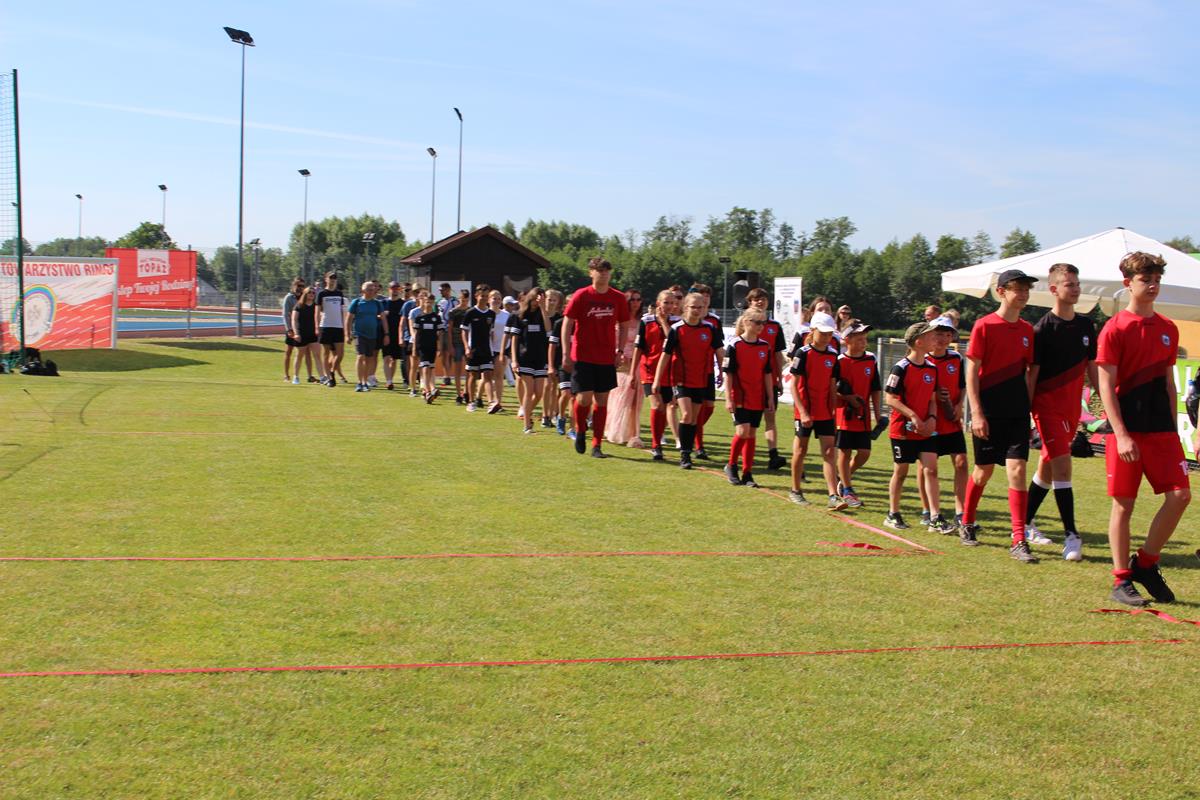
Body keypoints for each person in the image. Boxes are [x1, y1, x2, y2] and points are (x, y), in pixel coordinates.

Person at [1096, 251, 1190, 606]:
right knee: (1124, 504)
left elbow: (1168, 382)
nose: (1152, 286)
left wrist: (1174, 429)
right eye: (1145, 280)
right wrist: (1121, 434)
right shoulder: (1115, 328)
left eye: (1156, 280)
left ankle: (1146, 564)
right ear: (1128, 283)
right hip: (1127, 429)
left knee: (1180, 496)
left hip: (1161, 429)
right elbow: (1106, 385)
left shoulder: (1168, 327)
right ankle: (1121, 580)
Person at [960, 268, 1039, 562]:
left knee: (1017, 470)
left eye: (1026, 289)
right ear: (1001, 292)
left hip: (1017, 412)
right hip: (989, 411)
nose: (1023, 294)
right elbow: (971, 371)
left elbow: (1029, 372)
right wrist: (977, 413)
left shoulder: (1027, 330)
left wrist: (1029, 409)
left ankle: (1019, 539)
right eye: (1018, 288)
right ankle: (967, 521)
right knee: (983, 471)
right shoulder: (984, 326)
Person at [1025, 263, 1097, 561]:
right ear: (1054, 289)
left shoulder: (1086, 326)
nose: (1076, 289)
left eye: (1077, 283)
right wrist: (1026, 413)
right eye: (1070, 284)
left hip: (1071, 411)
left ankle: (1024, 522)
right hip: (1047, 409)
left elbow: (1093, 369)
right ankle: (1072, 535)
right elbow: (1032, 375)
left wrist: (1106, 401)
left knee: (1047, 466)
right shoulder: (1042, 329)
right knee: (1063, 466)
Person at [561, 258, 632, 458]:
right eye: (599, 270)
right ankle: (580, 429)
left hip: (606, 357)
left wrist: (620, 351)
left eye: (607, 270)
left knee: (601, 401)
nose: (604, 274)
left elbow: (624, 325)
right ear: (591, 272)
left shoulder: (618, 297)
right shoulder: (581, 295)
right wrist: (566, 352)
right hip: (583, 355)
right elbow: (567, 324)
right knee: (584, 399)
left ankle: (597, 444)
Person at [883, 322, 947, 531]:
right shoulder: (901, 368)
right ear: (919, 342)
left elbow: (932, 399)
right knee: (901, 472)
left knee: (931, 470)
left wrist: (932, 418)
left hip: (926, 429)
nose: (935, 339)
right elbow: (890, 398)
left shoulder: (932, 368)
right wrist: (912, 416)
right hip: (902, 430)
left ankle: (935, 517)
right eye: (931, 336)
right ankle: (893, 513)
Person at [653, 293, 722, 469]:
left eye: (700, 307)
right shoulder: (677, 329)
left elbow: (719, 351)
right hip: (681, 379)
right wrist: (657, 380)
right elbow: (665, 355)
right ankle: (684, 454)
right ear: (685, 307)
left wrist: (723, 371)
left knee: (693, 419)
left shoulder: (709, 329)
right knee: (686, 415)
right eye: (693, 307)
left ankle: (688, 451)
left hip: (700, 379)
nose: (697, 310)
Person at [788, 311, 844, 509]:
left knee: (829, 452)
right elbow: (793, 385)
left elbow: (832, 386)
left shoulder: (833, 355)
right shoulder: (803, 353)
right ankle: (795, 490)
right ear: (813, 331)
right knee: (800, 450)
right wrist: (802, 412)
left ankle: (833, 495)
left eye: (830, 333)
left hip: (824, 412)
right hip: (805, 410)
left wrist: (833, 412)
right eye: (823, 333)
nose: (827, 337)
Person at [922, 315, 969, 531]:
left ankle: (961, 512)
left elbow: (962, 386)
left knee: (961, 463)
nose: (942, 338)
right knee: (928, 468)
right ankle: (929, 511)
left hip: (951, 421)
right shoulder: (922, 359)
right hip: (930, 421)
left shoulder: (956, 358)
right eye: (938, 333)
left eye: (947, 334)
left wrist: (959, 406)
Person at [723, 309, 775, 487]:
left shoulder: (765, 346)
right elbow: (728, 374)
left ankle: (747, 473)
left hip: (757, 396)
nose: (761, 326)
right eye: (757, 322)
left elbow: (767, 373)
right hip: (739, 396)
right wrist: (728, 398)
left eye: (763, 323)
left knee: (751, 433)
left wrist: (770, 397)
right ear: (746, 322)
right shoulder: (735, 345)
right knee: (742, 432)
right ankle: (731, 465)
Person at [833, 321, 882, 508]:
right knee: (845, 452)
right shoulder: (839, 361)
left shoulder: (871, 359)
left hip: (863, 416)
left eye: (865, 338)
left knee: (864, 453)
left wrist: (877, 414)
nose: (864, 342)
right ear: (847, 340)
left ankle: (843, 477)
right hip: (843, 415)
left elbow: (875, 389)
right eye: (859, 338)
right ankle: (847, 489)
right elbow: (830, 390)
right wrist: (847, 397)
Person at [633, 289, 679, 460]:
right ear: (658, 303)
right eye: (666, 302)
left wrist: (663, 322)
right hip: (649, 370)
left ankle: (660, 438)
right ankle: (656, 445)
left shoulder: (677, 322)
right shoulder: (646, 321)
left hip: (669, 372)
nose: (669, 306)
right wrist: (633, 372)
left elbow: (673, 343)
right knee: (657, 405)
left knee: (666, 407)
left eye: (672, 303)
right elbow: (639, 348)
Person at [746, 288, 789, 471]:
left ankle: (773, 455)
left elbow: (778, 355)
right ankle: (747, 454)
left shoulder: (775, 326)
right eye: (756, 299)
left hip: (769, 380)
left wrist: (779, 378)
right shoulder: (745, 322)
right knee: (750, 422)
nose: (760, 302)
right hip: (749, 381)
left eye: (763, 299)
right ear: (750, 302)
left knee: (770, 417)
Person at [604, 290, 646, 447]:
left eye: (638, 299)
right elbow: (613, 340)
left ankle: (634, 435)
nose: (636, 303)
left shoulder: (642, 321)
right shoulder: (618, 321)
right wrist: (619, 353)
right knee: (621, 398)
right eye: (632, 300)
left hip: (638, 362)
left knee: (636, 400)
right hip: (622, 363)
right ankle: (615, 430)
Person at [508, 287, 552, 433]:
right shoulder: (519, 315)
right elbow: (514, 339)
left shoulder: (543, 314)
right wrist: (514, 360)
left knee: (539, 393)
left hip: (540, 357)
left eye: (540, 299)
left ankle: (526, 413)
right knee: (529, 391)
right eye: (535, 298)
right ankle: (527, 425)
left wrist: (543, 308)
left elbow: (548, 330)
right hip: (524, 357)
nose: (536, 302)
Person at [687, 284, 721, 459]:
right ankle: (698, 445)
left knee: (709, 407)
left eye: (708, 295)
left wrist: (722, 369)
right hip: (691, 373)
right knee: (696, 411)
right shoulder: (686, 321)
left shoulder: (714, 321)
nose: (705, 298)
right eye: (702, 295)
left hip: (708, 371)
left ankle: (690, 432)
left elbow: (719, 348)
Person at [346, 281, 389, 392]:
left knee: (369, 359)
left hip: (372, 335)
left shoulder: (377, 303)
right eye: (369, 289)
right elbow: (349, 319)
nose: (372, 291)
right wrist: (347, 334)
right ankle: (359, 383)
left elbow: (383, 319)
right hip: (359, 334)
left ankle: (365, 382)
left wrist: (386, 334)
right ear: (363, 291)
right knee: (361, 356)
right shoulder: (357, 302)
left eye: (373, 289)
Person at [461, 286, 496, 413]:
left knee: (487, 375)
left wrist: (494, 348)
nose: (484, 298)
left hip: (486, 349)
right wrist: (467, 347)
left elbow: (491, 332)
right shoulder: (470, 312)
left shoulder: (491, 314)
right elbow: (464, 331)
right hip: (473, 349)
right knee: (473, 375)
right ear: (476, 296)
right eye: (482, 296)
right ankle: (471, 402)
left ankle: (491, 403)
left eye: (486, 296)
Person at [316, 271, 348, 388]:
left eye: (335, 278)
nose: (333, 279)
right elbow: (317, 311)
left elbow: (342, 311)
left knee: (340, 354)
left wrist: (345, 327)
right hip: (325, 326)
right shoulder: (321, 294)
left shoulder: (339, 293)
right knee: (326, 354)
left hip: (338, 327)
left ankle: (332, 371)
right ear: (326, 279)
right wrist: (317, 326)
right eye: (331, 277)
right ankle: (329, 378)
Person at [411, 291, 443, 402]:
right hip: (422, 346)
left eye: (430, 302)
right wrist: (414, 348)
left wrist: (439, 347)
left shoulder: (436, 318)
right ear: (423, 302)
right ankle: (428, 390)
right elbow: (416, 334)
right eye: (427, 302)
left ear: (433, 303)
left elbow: (440, 333)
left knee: (431, 367)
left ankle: (430, 389)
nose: (428, 304)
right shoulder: (419, 317)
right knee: (425, 367)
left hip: (432, 345)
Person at [540, 289, 564, 429]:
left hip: (556, 354)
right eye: (549, 299)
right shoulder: (538, 315)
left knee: (556, 386)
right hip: (541, 353)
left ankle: (554, 413)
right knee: (547, 386)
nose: (552, 302)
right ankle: (545, 415)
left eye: (554, 300)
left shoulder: (559, 319)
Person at [290, 286, 323, 383]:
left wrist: (319, 330)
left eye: (313, 293)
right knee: (299, 356)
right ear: (305, 294)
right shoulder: (298, 306)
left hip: (313, 335)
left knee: (317, 356)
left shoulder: (316, 306)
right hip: (301, 334)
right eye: (309, 292)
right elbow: (294, 320)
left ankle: (322, 377)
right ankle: (296, 377)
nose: (312, 294)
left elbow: (320, 318)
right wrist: (296, 333)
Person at [487, 290, 510, 414]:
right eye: (494, 298)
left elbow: (510, 332)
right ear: (489, 300)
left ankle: (498, 403)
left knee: (499, 376)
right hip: (487, 348)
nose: (496, 301)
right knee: (487, 377)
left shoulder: (506, 315)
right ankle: (488, 400)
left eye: (499, 298)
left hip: (502, 349)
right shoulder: (486, 314)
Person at [381, 281, 406, 390]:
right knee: (386, 357)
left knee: (394, 359)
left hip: (398, 334)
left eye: (397, 289)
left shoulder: (403, 304)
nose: (395, 291)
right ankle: (389, 381)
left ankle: (390, 379)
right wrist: (381, 316)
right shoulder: (383, 303)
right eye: (393, 288)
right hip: (386, 334)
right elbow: (377, 315)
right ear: (389, 289)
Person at [447, 288, 470, 403]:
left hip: (468, 342)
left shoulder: (470, 311)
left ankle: (466, 391)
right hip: (456, 342)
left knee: (469, 369)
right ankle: (458, 394)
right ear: (459, 299)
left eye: (466, 300)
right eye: (462, 299)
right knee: (457, 368)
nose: (464, 302)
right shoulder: (453, 312)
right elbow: (449, 329)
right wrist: (450, 345)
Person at [282, 278, 306, 383]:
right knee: (288, 352)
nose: (300, 288)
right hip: (292, 329)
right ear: (294, 285)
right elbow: (285, 314)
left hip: (302, 328)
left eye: (302, 286)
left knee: (302, 352)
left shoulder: (304, 297)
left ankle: (302, 375)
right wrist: (289, 329)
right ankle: (286, 375)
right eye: (299, 285)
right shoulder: (289, 298)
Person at [437, 283, 458, 387]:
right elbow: (437, 315)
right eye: (440, 290)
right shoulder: (439, 301)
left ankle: (450, 374)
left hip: (452, 330)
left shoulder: (455, 301)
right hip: (442, 330)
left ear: (448, 290)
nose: (441, 292)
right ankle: (446, 376)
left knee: (451, 352)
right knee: (444, 353)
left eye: (443, 290)